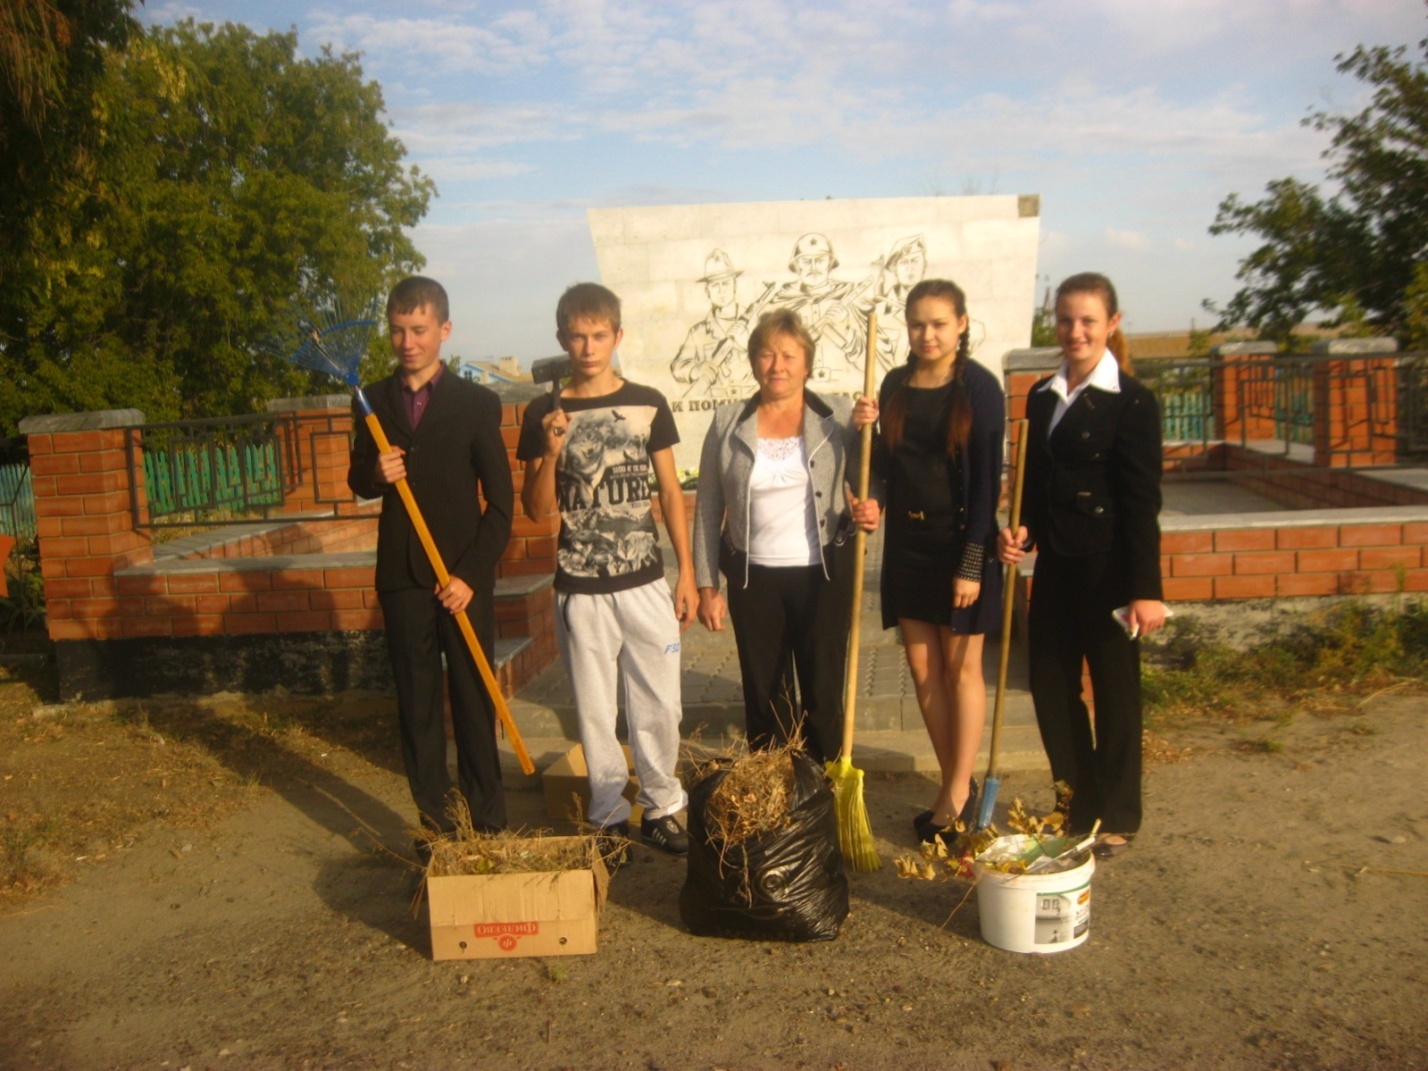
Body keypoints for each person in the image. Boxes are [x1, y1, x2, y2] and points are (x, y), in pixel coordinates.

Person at [518, 283, 696, 861]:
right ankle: (607, 814)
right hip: (581, 585)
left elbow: (670, 492)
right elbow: (538, 509)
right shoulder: (544, 412)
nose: (588, 346)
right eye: (577, 335)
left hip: (644, 580)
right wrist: (548, 449)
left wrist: (687, 573)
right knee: (596, 710)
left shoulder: (648, 402)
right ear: (561, 339)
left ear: (617, 337)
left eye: (599, 335)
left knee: (660, 704)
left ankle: (664, 806)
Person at [997, 271, 1166, 858]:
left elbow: (1143, 502)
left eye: (1089, 320)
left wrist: (1147, 589)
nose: (1076, 331)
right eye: (1066, 320)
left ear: (1111, 324)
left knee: (1116, 693)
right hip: (1057, 571)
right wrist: (1022, 533)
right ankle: (1077, 802)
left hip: (1113, 570)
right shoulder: (1043, 395)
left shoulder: (1136, 403)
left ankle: (1118, 813)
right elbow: (1035, 486)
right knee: (1049, 685)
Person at [347, 276, 514, 854]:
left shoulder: (476, 404)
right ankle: (439, 825)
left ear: (444, 330)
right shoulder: (370, 400)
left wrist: (471, 576)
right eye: (397, 330)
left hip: (462, 579)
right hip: (402, 578)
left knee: (472, 698)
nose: (407, 342)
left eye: (419, 330)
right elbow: (356, 479)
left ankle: (486, 821)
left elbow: (501, 505)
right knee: (417, 703)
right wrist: (375, 474)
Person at [852, 279, 1005, 844]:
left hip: (961, 546)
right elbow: (885, 468)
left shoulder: (980, 389)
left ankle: (958, 795)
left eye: (939, 323)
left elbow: (988, 481)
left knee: (960, 668)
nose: (927, 334)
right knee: (922, 672)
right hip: (908, 551)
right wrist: (873, 498)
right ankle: (951, 786)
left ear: (961, 324)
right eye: (917, 324)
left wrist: (971, 562)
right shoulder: (892, 384)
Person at [693, 308, 880, 764]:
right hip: (753, 580)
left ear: (807, 363)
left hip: (823, 577)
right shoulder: (727, 421)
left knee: (823, 690)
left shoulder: (837, 414)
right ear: (754, 362)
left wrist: (872, 495)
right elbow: (707, 508)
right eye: (766, 354)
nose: (777, 366)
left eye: (788, 356)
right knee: (766, 696)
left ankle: (825, 794)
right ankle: (776, 796)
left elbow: (870, 474)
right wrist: (706, 586)